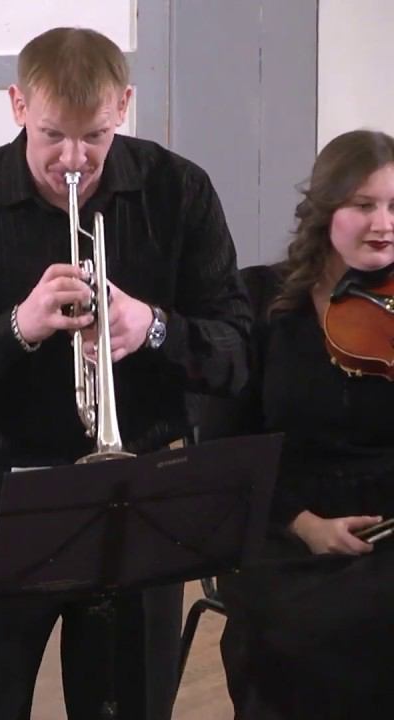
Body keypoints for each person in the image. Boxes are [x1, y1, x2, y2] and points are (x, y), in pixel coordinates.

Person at [0, 27, 252, 720]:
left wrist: (151, 327)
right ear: (18, 104)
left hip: (136, 488)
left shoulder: (178, 192)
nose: (73, 160)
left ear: (124, 105)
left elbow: (236, 354)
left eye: (94, 136)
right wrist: (17, 328)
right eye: (53, 135)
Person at [216, 129, 394, 719]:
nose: (384, 224)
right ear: (325, 211)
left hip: (387, 516)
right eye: (364, 205)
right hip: (282, 522)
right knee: (312, 631)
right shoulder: (259, 299)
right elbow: (225, 442)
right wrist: (304, 523)